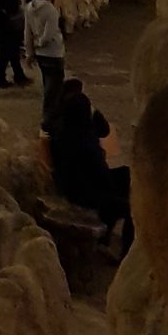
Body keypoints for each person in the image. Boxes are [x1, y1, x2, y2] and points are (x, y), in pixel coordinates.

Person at [48, 88, 133, 255]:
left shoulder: (60, 131)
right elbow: (100, 173)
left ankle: (105, 237)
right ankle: (124, 253)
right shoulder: (84, 141)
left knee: (125, 174)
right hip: (86, 194)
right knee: (130, 208)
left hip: (77, 187)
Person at [22, 0, 65, 128]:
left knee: (48, 85)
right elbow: (49, 34)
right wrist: (41, 42)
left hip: (41, 56)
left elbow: (27, 32)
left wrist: (30, 52)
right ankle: (49, 120)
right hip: (54, 53)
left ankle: (50, 117)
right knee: (54, 90)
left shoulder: (29, 8)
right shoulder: (51, 11)